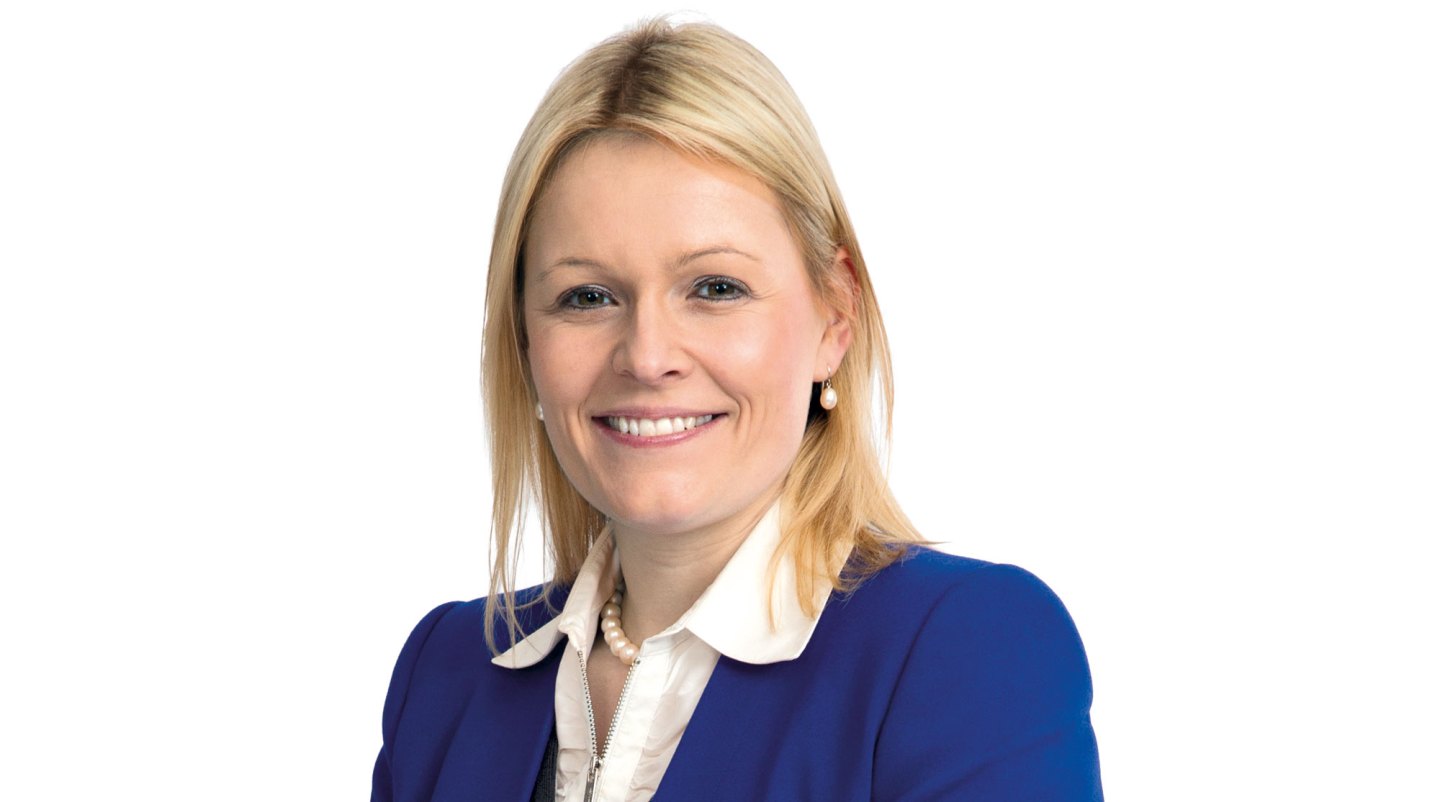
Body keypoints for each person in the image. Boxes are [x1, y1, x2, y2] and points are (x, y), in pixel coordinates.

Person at [372, 18, 1102, 802]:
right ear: (524, 340)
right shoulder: (445, 675)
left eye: (715, 288)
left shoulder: (964, 650)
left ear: (835, 318)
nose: (647, 356)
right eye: (587, 297)